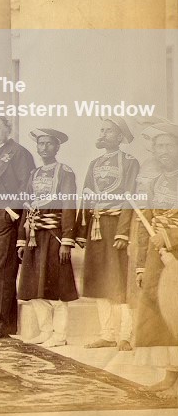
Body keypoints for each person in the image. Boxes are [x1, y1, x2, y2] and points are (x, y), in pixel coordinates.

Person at [78, 117, 139, 350]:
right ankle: (107, 333)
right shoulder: (94, 163)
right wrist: (82, 231)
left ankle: (125, 335)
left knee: (119, 279)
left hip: (116, 227)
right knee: (100, 280)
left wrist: (124, 232)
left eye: (108, 131)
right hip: (96, 226)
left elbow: (130, 197)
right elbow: (86, 194)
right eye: (101, 130)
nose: (103, 134)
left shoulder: (130, 162)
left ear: (120, 136)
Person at [16, 129, 79, 348]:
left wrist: (67, 240)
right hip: (35, 237)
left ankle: (60, 335)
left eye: (49, 144)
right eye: (40, 144)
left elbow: (69, 206)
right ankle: (45, 331)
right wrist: (22, 239)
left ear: (57, 147)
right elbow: (27, 206)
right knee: (34, 287)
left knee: (56, 287)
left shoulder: (65, 172)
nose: (44, 148)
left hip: (54, 236)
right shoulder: (34, 174)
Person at [0, 115, 35, 339]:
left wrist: (11, 210)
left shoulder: (18, 153)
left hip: (4, 214)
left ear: (7, 130)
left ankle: (1, 323)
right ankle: (4, 321)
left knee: (2, 268)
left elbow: (26, 184)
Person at [132, 124, 178, 397]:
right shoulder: (154, 182)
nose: (163, 151)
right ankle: (170, 375)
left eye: (168, 146)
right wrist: (141, 264)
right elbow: (144, 223)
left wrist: (170, 237)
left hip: (176, 254)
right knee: (160, 316)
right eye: (159, 146)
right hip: (157, 258)